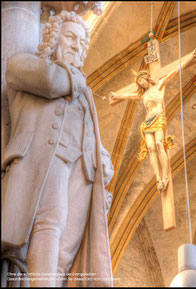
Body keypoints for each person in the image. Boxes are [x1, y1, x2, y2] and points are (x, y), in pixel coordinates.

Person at [2, 11, 114, 287]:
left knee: (66, 246)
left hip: (76, 174)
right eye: (70, 37)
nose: (76, 45)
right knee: (49, 224)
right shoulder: (23, 65)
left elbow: (90, 132)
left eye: (80, 41)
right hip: (42, 163)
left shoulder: (82, 93)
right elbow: (52, 82)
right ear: (53, 38)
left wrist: (102, 158)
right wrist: (76, 77)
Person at [107, 48, 196, 192]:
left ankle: (165, 176)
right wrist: (116, 96)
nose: (141, 83)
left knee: (158, 144)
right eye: (139, 82)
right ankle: (158, 178)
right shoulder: (142, 95)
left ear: (147, 78)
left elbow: (175, 71)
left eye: (142, 80)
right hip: (147, 123)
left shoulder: (159, 86)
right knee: (150, 148)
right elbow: (127, 96)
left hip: (159, 118)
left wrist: (191, 58)